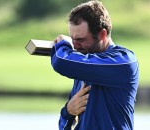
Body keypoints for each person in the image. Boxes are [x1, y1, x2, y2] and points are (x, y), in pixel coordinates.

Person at [50, 0, 139, 130]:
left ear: (102, 34)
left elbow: (61, 62)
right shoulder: (84, 62)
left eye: (80, 40)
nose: (74, 46)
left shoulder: (124, 61)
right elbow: (64, 126)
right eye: (72, 39)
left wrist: (62, 45)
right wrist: (68, 111)